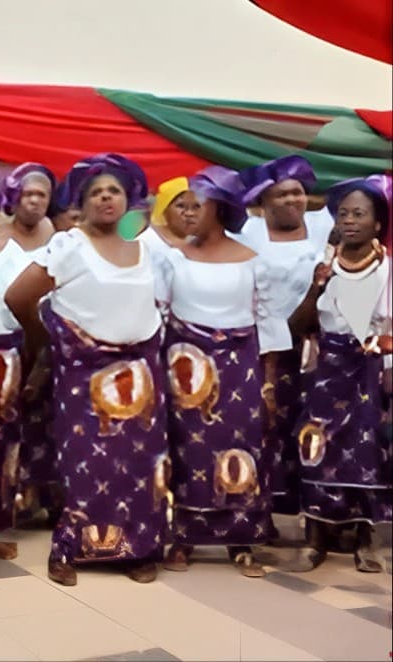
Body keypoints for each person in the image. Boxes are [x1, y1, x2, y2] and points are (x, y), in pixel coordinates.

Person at [5, 153, 168, 587]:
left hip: (141, 376)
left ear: (128, 197)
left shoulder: (143, 243)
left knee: (139, 465)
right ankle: (71, 551)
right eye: (95, 192)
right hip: (84, 374)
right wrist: (50, 341)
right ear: (82, 202)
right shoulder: (69, 244)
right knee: (84, 466)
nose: (105, 198)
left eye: (113, 190)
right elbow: (18, 298)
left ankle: (139, 550)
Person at [154, 166, 288, 577]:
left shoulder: (253, 262)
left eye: (199, 204)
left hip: (239, 371)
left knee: (241, 449)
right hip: (186, 371)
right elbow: (158, 317)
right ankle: (183, 538)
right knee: (187, 449)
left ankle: (241, 541)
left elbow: (267, 325)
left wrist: (267, 386)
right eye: (187, 205)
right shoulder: (173, 259)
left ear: (223, 208)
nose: (190, 211)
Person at [288, 174, 392, 572]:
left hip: (369, 370)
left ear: (378, 224)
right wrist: (317, 286)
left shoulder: (387, 271)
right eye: (344, 213)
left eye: (360, 214)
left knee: (369, 452)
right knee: (316, 447)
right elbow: (298, 326)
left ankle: (367, 541)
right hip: (327, 369)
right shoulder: (324, 267)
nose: (350, 220)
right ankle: (315, 539)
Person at [232, 155, 333, 522]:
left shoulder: (326, 228)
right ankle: (263, 512)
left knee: (315, 427)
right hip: (265, 349)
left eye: (298, 192)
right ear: (263, 203)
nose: (293, 200)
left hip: (317, 348)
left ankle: (318, 514)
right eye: (282, 194)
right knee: (265, 427)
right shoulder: (248, 235)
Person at [0, 163, 57, 558]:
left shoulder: (10, 254)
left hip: (3, 357)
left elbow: (31, 307)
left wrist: (34, 355)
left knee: (0, 445)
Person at [137, 176, 197, 262]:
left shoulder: (202, 244)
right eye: (181, 206)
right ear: (164, 209)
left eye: (196, 206)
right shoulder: (144, 244)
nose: (190, 213)